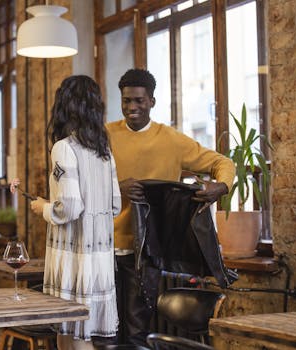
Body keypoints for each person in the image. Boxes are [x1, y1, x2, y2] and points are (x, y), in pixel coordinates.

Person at [105, 68, 236, 344]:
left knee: (138, 334)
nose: (132, 107)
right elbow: (85, 184)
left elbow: (222, 163)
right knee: (105, 333)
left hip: (147, 251)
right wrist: (117, 188)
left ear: (152, 101)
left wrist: (220, 187)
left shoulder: (172, 140)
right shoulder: (105, 135)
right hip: (102, 248)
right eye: (126, 100)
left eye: (139, 100)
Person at [11, 75, 121, 350]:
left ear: (65, 106)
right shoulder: (103, 151)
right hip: (100, 260)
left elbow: (69, 207)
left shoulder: (63, 148)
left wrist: (43, 207)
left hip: (73, 260)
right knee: (75, 335)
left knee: (73, 336)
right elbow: (115, 204)